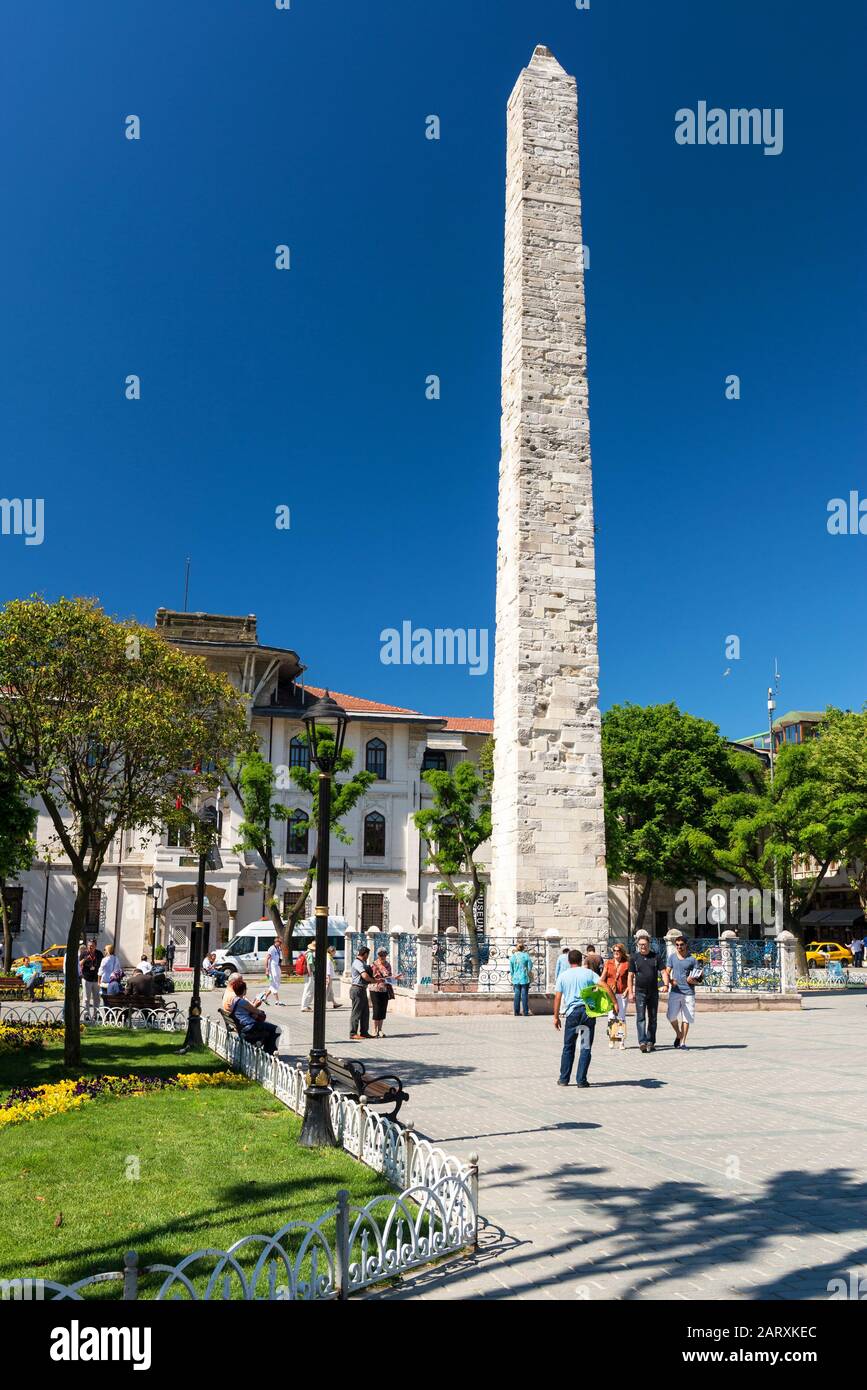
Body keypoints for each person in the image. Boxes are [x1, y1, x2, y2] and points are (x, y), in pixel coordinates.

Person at [554, 949, 615, 1088]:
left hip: (572, 1015)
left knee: (568, 1047)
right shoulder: (588, 973)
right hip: (587, 1014)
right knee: (585, 1047)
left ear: (569, 961)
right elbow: (604, 985)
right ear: (581, 960)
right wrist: (614, 1003)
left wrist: (556, 1017)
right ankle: (581, 1080)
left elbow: (557, 997)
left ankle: (564, 1079)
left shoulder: (563, 976)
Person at [627, 935, 668, 1053]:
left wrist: (666, 985)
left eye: (644, 944)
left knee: (653, 1017)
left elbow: (664, 971)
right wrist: (630, 992)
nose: (642, 946)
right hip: (640, 992)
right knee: (640, 1017)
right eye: (640, 945)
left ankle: (651, 1041)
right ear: (637, 945)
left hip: (653, 991)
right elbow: (630, 976)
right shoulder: (634, 958)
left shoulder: (656, 957)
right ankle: (642, 1042)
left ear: (648, 944)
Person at [226, 978, 280, 1055]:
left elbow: (248, 1011)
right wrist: (257, 1005)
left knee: (269, 1031)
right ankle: (269, 1054)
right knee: (276, 1029)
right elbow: (257, 1011)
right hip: (249, 1026)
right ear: (244, 990)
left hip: (242, 1026)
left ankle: (268, 1053)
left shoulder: (234, 1000)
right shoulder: (242, 1001)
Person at [667, 935, 701, 1050]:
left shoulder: (692, 959)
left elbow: (700, 977)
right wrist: (670, 981)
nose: (679, 947)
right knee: (671, 1016)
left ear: (686, 945)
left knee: (686, 1018)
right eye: (677, 945)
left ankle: (683, 1042)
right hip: (675, 991)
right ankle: (678, 1033)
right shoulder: (672, 957)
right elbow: (666, 972)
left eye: (681, 944)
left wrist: (693, 980)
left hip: (688, 992)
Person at [600, 944, 630, 1041]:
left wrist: (627, 990)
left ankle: (620, 1040)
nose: (616, 952)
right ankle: (612, 1038)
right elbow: (602, 978)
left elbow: (631, 979)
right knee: (611, 1016)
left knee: (621, 1017)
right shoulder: (608, 963)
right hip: (610, 993)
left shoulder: (627, 964)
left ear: (622, 952)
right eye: (614, 951)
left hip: (622, 993)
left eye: (618, 950)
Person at [369, 946, 398, 1038]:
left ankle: (380, 1029)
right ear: (378, 955)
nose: (382, 957)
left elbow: (389, 976)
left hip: (384, 989)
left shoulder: (388, 965)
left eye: (384, 955)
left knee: (382, 1009)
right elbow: (373, 976)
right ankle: (374, 1029)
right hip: (375, 989)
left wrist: (393, 977)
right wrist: (381, 977)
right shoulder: (374, 964)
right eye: (381, 955)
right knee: (376, 1009)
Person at [349, 946, 374, 1041]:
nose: (368, 957)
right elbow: (365, 975)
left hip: (362, 989)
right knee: (356, 1012)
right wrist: (373, 980)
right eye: (368, 955)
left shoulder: (362, 963)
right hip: (357, 989)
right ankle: (353, 1033)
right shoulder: (357, 963)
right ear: (365, 954)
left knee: (365, 1012)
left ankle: (364, 1032)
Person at [509, 940, 533, 1016]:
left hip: (516, 978)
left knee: (517, 995)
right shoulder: (526, 955)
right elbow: (530, 966)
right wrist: (527, 971)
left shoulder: (513, 956)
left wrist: (512, 976)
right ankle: (525, 1012)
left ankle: (516, 1012)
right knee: (524, 995)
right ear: (523, 948)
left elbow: (511, 969)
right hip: (524, 977)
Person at [80, 940, 102, 1018]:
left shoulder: (99, 953)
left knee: (97, 998)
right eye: (89, 945)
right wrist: (85, 958)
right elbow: (79, 964)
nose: (90, 947)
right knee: (86, 998)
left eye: (92, 945)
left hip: (96, 979)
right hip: (86, 979)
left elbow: (102, 965)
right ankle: (86, 1015)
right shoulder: (84, 953)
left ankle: (96, 1015)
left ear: (95, 946)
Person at [263, 935, 283, 1005]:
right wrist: (266, 969)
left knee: (276, 983)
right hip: (272, 968)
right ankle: (277, 1001)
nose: (281, 944)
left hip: (277, 967)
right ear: (276, 942)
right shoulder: (271, 948)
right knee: (274, 983)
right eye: (280, 942)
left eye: (281, 942)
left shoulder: (278, 948)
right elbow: (266, 959)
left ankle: (264, 997)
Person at [300, 940, 316, 1012]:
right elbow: (309, 964)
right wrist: (310, 973)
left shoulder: (306, 952)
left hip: (307, 973)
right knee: (308, 990)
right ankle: (304, 1006)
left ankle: (306, 1005)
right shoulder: (310, 954)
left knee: (308, 989)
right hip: (309, 973)